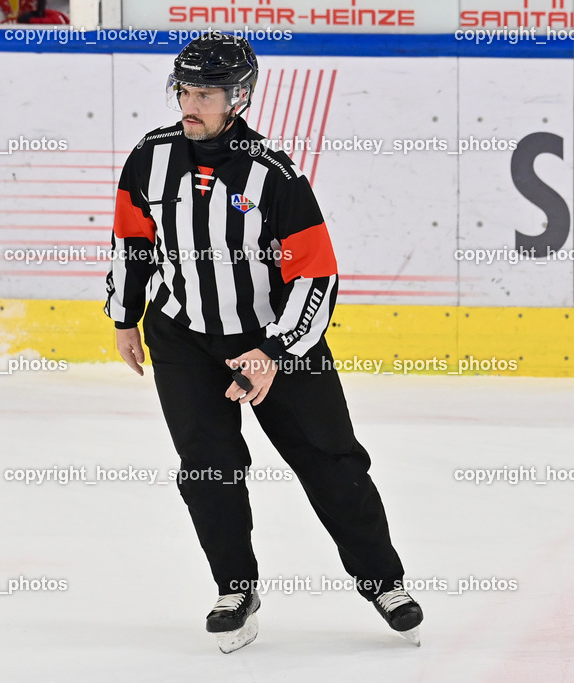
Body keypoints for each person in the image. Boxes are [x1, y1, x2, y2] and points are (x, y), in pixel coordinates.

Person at [104, 33, 422, 653]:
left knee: (331, 462)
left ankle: (383, 581)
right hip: (183, 337)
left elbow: (316, 273)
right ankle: (235, 587)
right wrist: (125, 316)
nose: (191, 103)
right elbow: (130, 241)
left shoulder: (274, 174)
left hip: (273, 338)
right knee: (207, 467)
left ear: (238, 98)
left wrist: (275, 352)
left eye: (206, 93)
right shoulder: (149, 158)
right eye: (186, 90)